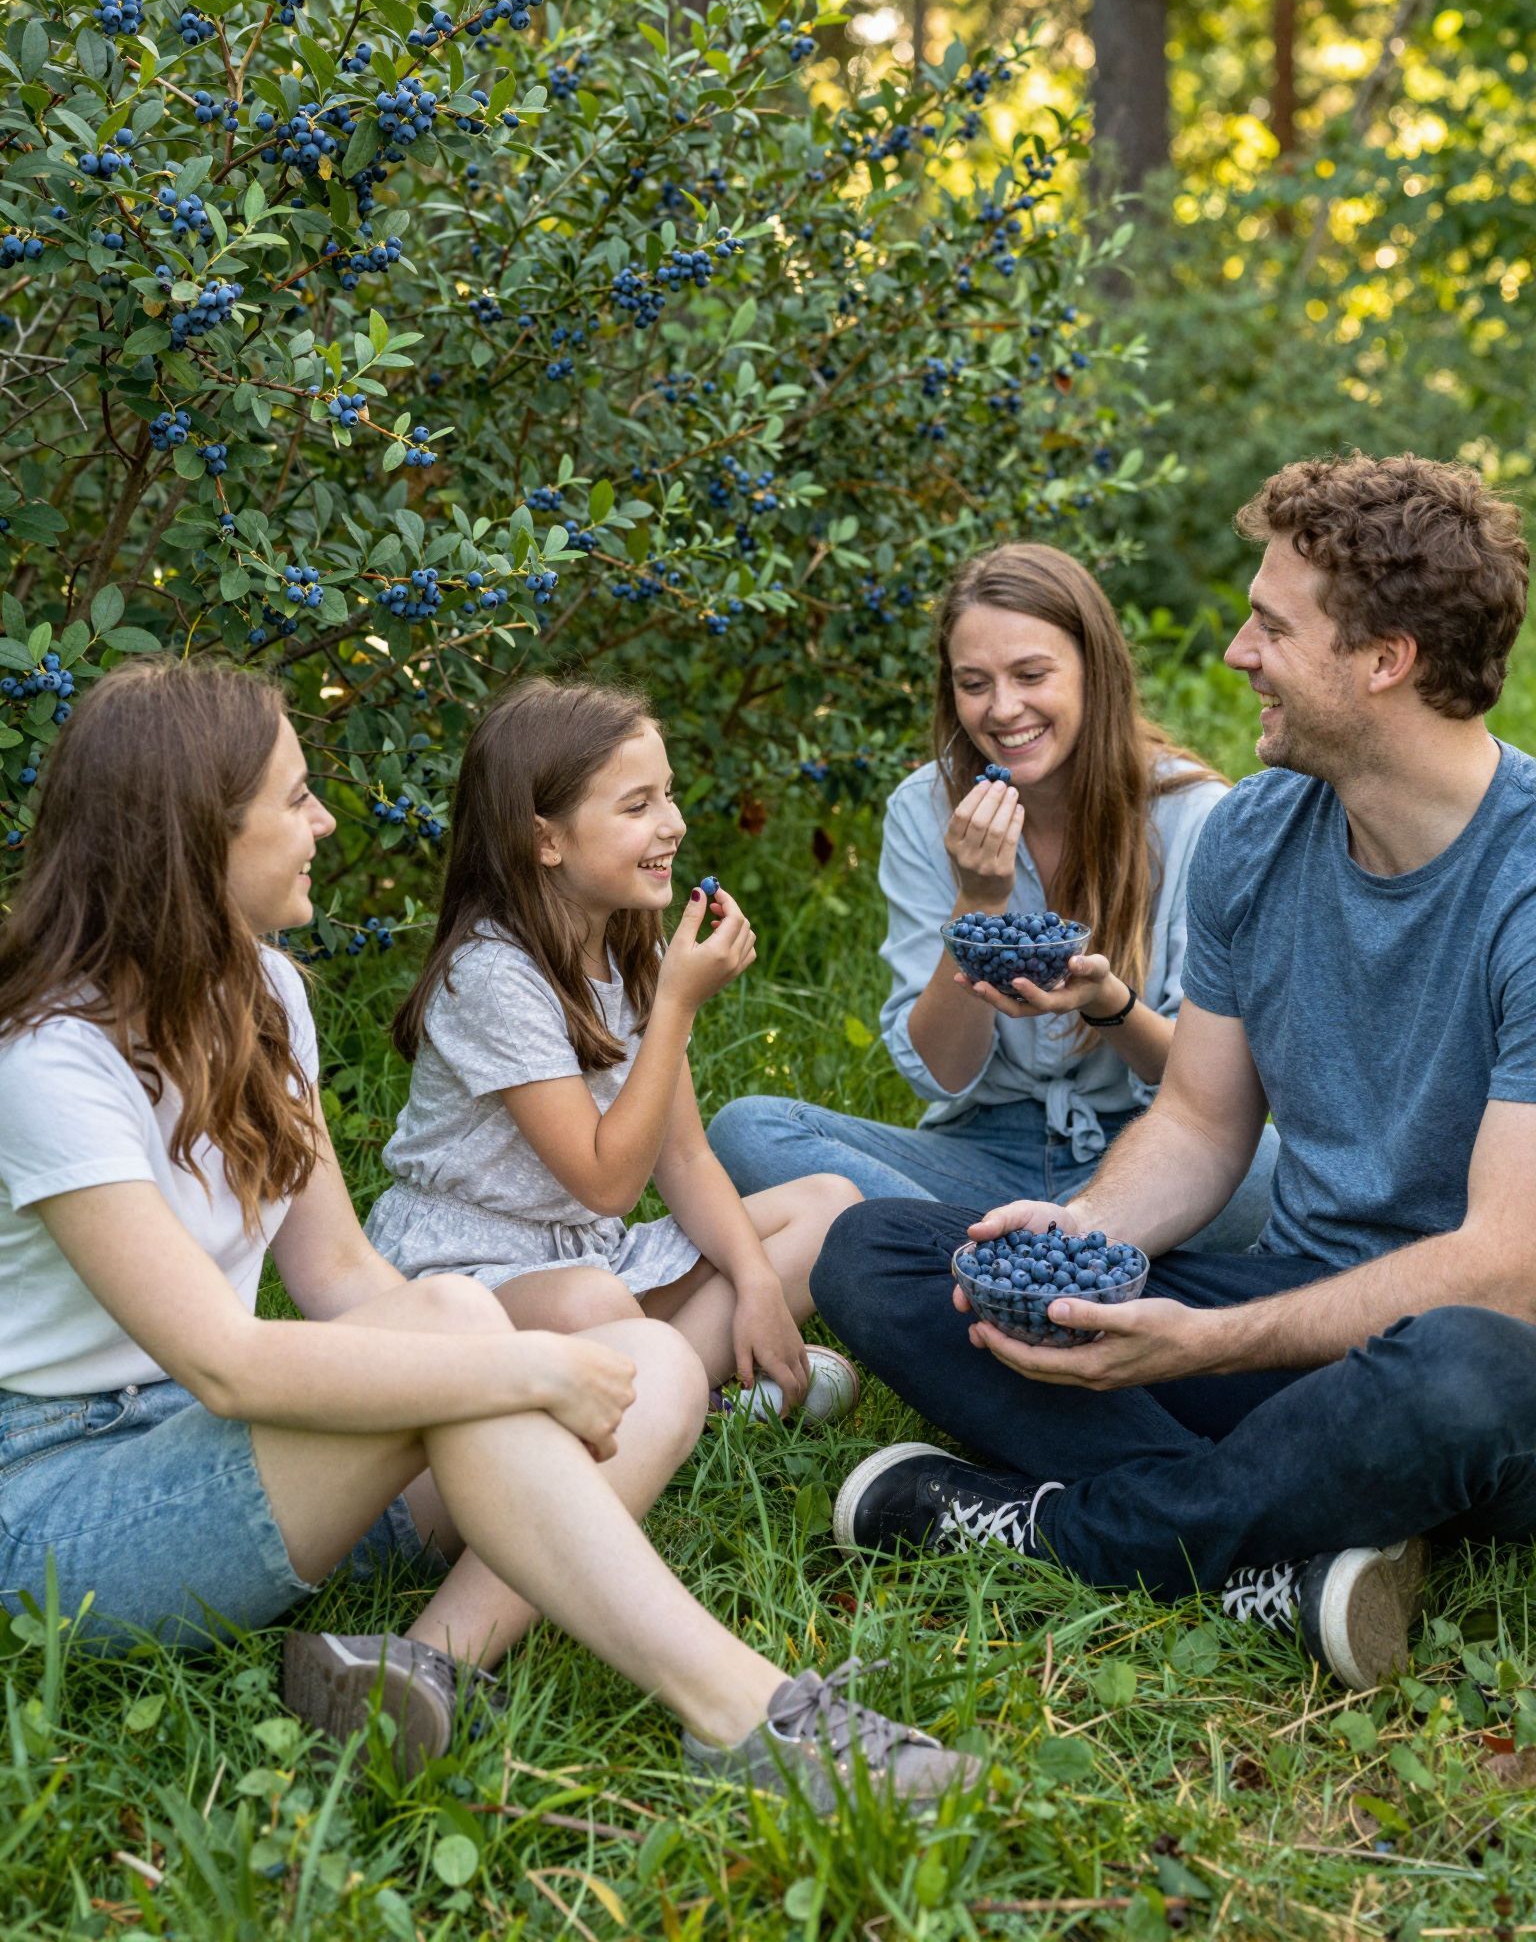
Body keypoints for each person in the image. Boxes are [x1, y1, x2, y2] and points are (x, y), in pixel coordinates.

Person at [0, 658, 981, 1806]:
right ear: (196, 834)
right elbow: (226, 1360)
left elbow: (340, 1273)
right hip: (59, 1499)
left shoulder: (264, 993)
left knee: (654, 1362)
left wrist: (518, 1374)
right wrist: (518, 1365)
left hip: (234, 1459)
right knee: (481, 1324)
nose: (324, 820)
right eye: (296, 797)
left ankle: (409, 1671)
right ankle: (747, 1710)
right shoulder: (51, 1063)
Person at [815, 452, 1536, 1693]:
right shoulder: (1259, 832)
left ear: (1386, 659)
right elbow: (1202, 1123)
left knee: (1459, 1366)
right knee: (877, 1254)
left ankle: (1058, 1528)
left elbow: (1507, 1259)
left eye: (1271, 625)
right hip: (1298, 1311)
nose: (1237, 654)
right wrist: (1083, 1237)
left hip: (1474, 1357)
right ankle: (1279, 1541)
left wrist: (1197, 1342)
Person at [708, 544, 1277, 1251]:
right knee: (749, 1128)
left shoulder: (1196, 814)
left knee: (1268, 1165)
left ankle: (967, 1261)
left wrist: (1108, 1005)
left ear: (1094, 672)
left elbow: (1208, 1086)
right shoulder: (923, 808)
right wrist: (977, 900)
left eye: (1032, 674)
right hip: (976, 1155)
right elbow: (943, 1076)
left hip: (1146, 1151)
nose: (1004, 710)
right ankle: (1045, 1262)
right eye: (973, 683)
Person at [364, 677, 861, 1425]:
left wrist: (757, 1284)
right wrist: (676, 1009)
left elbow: (685, 1160)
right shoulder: (494, 974)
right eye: (638, 806)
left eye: (668, 794)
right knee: (596, 1302)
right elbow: (607, 1182)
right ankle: (687, 1393)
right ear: (546, 840)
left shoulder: (634, 948)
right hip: (468, 1271)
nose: (675, 825)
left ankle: (659, 1391)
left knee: (830, 1207)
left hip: (590, 1251)